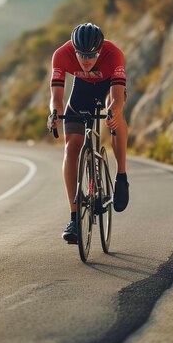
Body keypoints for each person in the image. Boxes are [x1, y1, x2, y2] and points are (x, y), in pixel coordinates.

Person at [47, 22, 130, 244]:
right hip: (81, 92)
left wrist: (114, 111)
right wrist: (54, 114)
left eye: (91, 54)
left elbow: (117, 98)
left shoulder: (114, 54)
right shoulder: (61, 55)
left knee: (115, 118)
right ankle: (75, 217)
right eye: (81, 54)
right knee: (71, 146)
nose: (86, 59)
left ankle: (121, 176)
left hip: (107, 90)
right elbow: (56, 96)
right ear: (73, 50)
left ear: (100, 50)